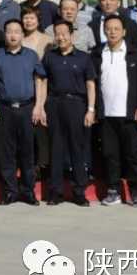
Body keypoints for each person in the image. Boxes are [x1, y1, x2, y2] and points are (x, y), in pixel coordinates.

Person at [0, 19, 46, 206]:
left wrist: (39, 106)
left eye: (17, 31)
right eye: (9, 31)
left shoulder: (31, 55)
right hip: (4, 108)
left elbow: (39, 80)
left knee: (28, 152)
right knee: (7, 152)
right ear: (5, 34)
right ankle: (10, 192)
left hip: (27, 108)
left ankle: (28, 191)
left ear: (22, 34)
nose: (13, 35)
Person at [92, 15, 137, 206]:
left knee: (132, 155)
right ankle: (113, 191)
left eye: (116, 29)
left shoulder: (134, 54)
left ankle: (135, 192)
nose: (112, 32)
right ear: (104, 31)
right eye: (109, 29)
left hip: (129, 114)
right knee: (110, 155)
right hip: (106, 115)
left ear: (124, 31)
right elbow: (93, 83)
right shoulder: (97, 54)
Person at [41, 21, 95, 206]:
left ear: (72, 35)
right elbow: (43, 82)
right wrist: (41, 107)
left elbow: (90, 84)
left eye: (64, 33)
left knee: (77, 148)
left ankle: (79, 191)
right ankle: (55, 191)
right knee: (55, 148)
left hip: (77, 105)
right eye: (57, 33)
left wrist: (91, 109)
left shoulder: (83, 58)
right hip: (54, 104)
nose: (61, 37)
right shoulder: (49, 56)